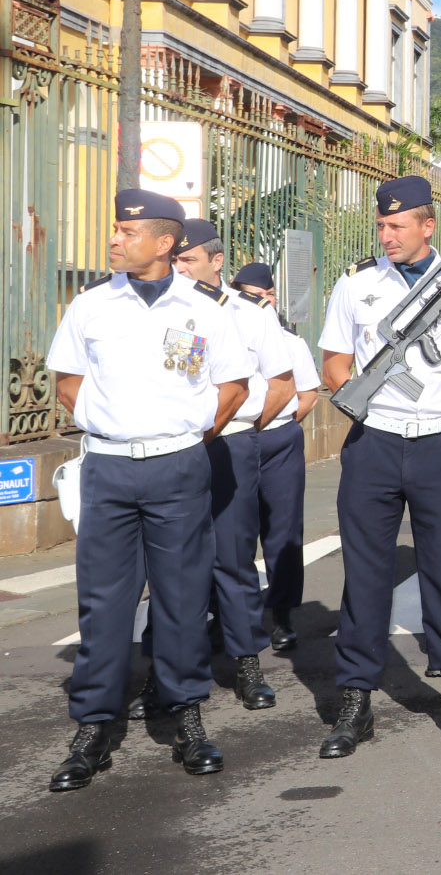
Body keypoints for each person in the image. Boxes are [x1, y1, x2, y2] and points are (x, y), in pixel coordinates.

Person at [45, 189, 252, 791]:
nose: (114, 239)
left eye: (126, 232)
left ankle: (185, 713)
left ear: (165, 243)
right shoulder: (90, 306)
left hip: (179, 467)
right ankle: (94, 725)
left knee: (183, 596)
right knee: (103, 602)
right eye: (114, 230)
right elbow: (67, 382)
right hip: (108, 467)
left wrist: (181, 435)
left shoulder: (207, 310)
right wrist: (117, 428)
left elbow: (233, 388)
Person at [316, 175, 441, 758]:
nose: (386, 233)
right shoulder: (358, 284)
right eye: (381, 224)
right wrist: (370, 398)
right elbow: (335, 362)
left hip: (440, 443)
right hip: (374, 443)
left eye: (397, 225)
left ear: (427, 225)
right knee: (365, 574)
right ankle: (355, 699)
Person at [154, 219, 295, 716]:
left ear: (218, 262)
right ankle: (164, 665)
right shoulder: (162, 310)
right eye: (176, 261)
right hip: (174, 447)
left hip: (230, 444)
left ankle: (247, 663)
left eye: (189, 260)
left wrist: (246, 430)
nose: (180, 269)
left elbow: (281, 383)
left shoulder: (251, 313)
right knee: (172, 562)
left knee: (234, 559)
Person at [228, 263, 319, 654]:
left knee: (282, 530)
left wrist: (273, 427)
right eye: (248, 293)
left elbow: (307, 395)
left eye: (263, 295)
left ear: (272, 298)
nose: (257, 301)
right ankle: (231, 615)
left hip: (278, 439)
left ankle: (281, 613)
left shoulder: (291, 342)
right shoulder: (225, 334)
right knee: (234, 534)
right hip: (234, 439)